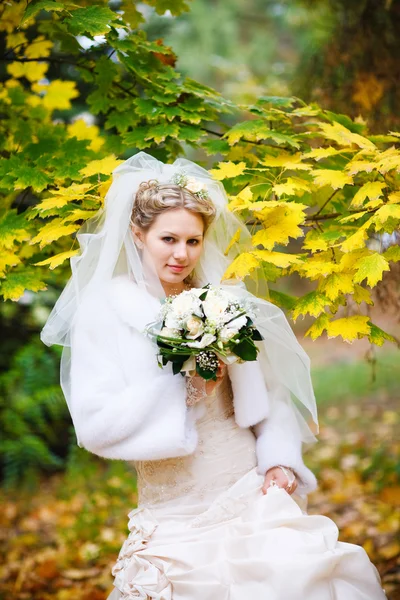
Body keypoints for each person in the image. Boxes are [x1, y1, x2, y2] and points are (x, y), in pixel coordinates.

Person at [41, 152, 386, 599]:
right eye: (168, 239)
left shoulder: (222, 300)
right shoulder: (104, 312)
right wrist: (183, 388)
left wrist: (279, 458)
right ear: (137, 234)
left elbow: (271, 391)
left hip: (250, 492)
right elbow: (95, 426)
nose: (182, 255)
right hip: (177, 510)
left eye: (193, 240)